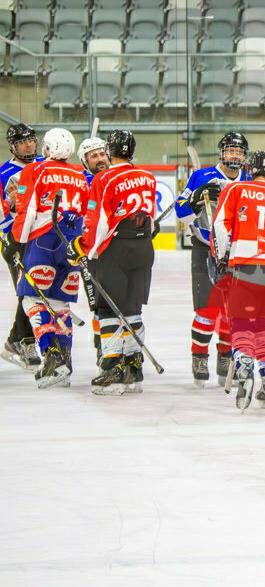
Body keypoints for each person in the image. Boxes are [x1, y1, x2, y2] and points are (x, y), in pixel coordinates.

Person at [66, 130, 156, 395]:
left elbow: (98, 222)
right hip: (144, 248)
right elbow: (148, 217)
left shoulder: (104, 178)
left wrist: (82, 248)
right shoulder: (148, 177)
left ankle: (112, 369)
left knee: (108, 310)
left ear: (109, 150)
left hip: (114, 251)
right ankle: (133, 368)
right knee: (132, 309)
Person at [212, 151, 265, 411]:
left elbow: (220, 226)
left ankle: (245, 368)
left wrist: (222, 257)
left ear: (250, 169)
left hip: (245, 267)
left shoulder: (237, 189)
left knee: (241, 323)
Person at [11, 128, 90, 388]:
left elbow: (27, 210)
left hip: (43, 241)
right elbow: (87, 214)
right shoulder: (81, 174)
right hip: (72, 245)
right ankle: (65, 363)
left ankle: (51, 355)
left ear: (47, 147)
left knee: (32, 299)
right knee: (60, 304)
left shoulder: (35, 170)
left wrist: (18, 241)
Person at [175, 132, 250, 387]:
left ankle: (225, 358)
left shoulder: (249, 181)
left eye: (238, 152)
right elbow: (181, 213)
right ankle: (199, 357)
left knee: (231, 311)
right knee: (206, 309)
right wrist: (196, 199)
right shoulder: (201, 176)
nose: (234, 156)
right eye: (230, 151)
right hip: (205, 247)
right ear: (221, 153)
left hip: (236, 252)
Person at [0, 123, 42, 371]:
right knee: (28, 291)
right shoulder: (4, 173)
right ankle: (25, 341)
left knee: (37, 289)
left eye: (30, 140)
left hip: (42, 237)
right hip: (16, 240)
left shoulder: (44, 165)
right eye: (22, 142)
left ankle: (15, 341)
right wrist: (11, 203)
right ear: (13, 147)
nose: (28, 145)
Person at [74, 136, 111, 364]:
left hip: (116, 249)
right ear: (84, 161)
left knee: (122, 302)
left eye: (102, 154)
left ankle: (124, 350)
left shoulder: (116, 177)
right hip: (90, 252)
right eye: (93, 156)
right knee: (98, 305)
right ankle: (102, 349)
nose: (100, 159)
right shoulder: (79, 182)